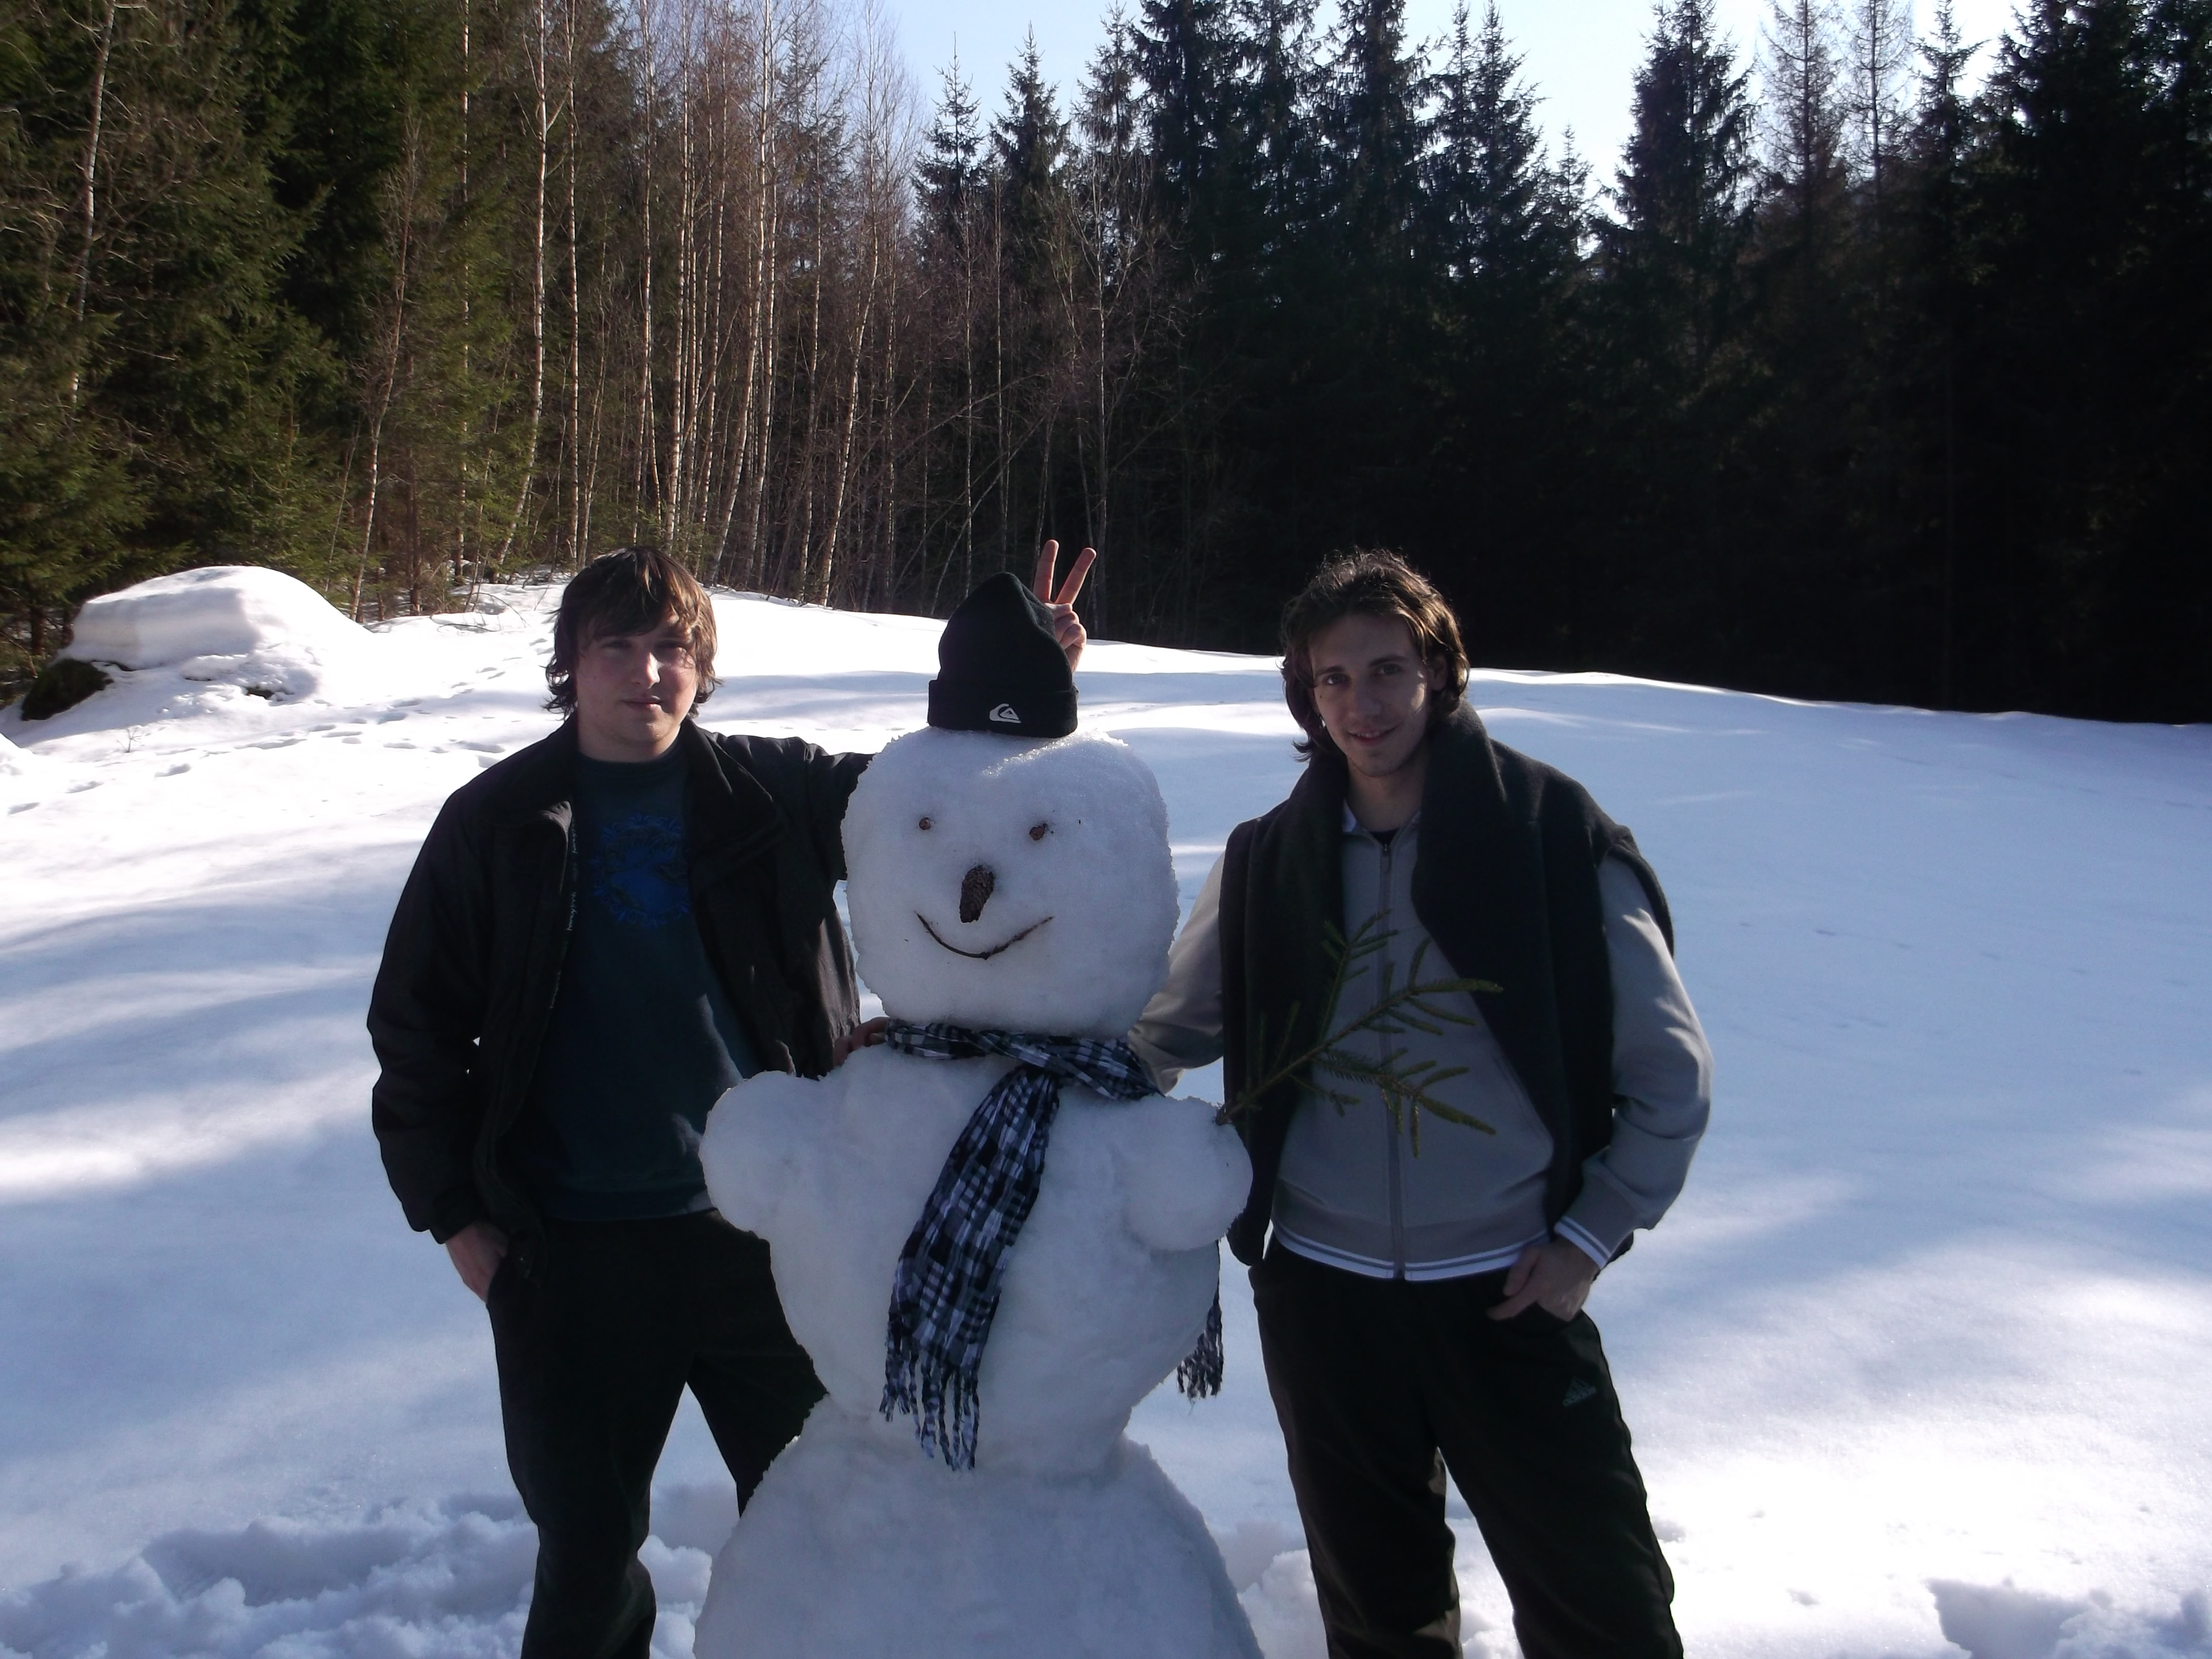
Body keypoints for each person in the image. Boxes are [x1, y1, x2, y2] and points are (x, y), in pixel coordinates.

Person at [368, 541, 1091, 1659]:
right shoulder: (498, 822)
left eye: (672, 648)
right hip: (570, 1253)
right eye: (617, 647)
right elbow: (415, 1027)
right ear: (571, 665)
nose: (647, 672)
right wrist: (455, 1214)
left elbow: (945, 805)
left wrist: (1023, 682)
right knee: (587, 1552)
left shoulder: (775, 791)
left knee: (823, 1526)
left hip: (769, 1237)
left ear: (703, 667)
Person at [1130, 550, 1711, 1659]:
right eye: (1333, 678)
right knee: (1379, 1622)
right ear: (1306, 695)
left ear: (1439, 671)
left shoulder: (1552, 835)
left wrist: (1588, 1239)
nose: (1362, 703)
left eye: (1387, 670)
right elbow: (1160, 1033)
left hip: (1510, 1293)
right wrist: (991, 1063)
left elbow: (1669, 1073)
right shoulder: (1267, 860)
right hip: (1324, 1307)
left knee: (1606, 1614)